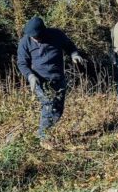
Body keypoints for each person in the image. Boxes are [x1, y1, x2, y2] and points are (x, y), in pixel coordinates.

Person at [17, 16, 85, 146]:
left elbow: (69, 46)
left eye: (36, 37)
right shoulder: (24, 42)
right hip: (40, 81)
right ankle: (43, 138)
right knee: (48, 106)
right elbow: (22, 63)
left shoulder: (56, 35)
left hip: (58, 78)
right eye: (32, 37)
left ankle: (50, 132)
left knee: (58, 109)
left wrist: (74, 55)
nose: (34, 39)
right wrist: (30, 76)